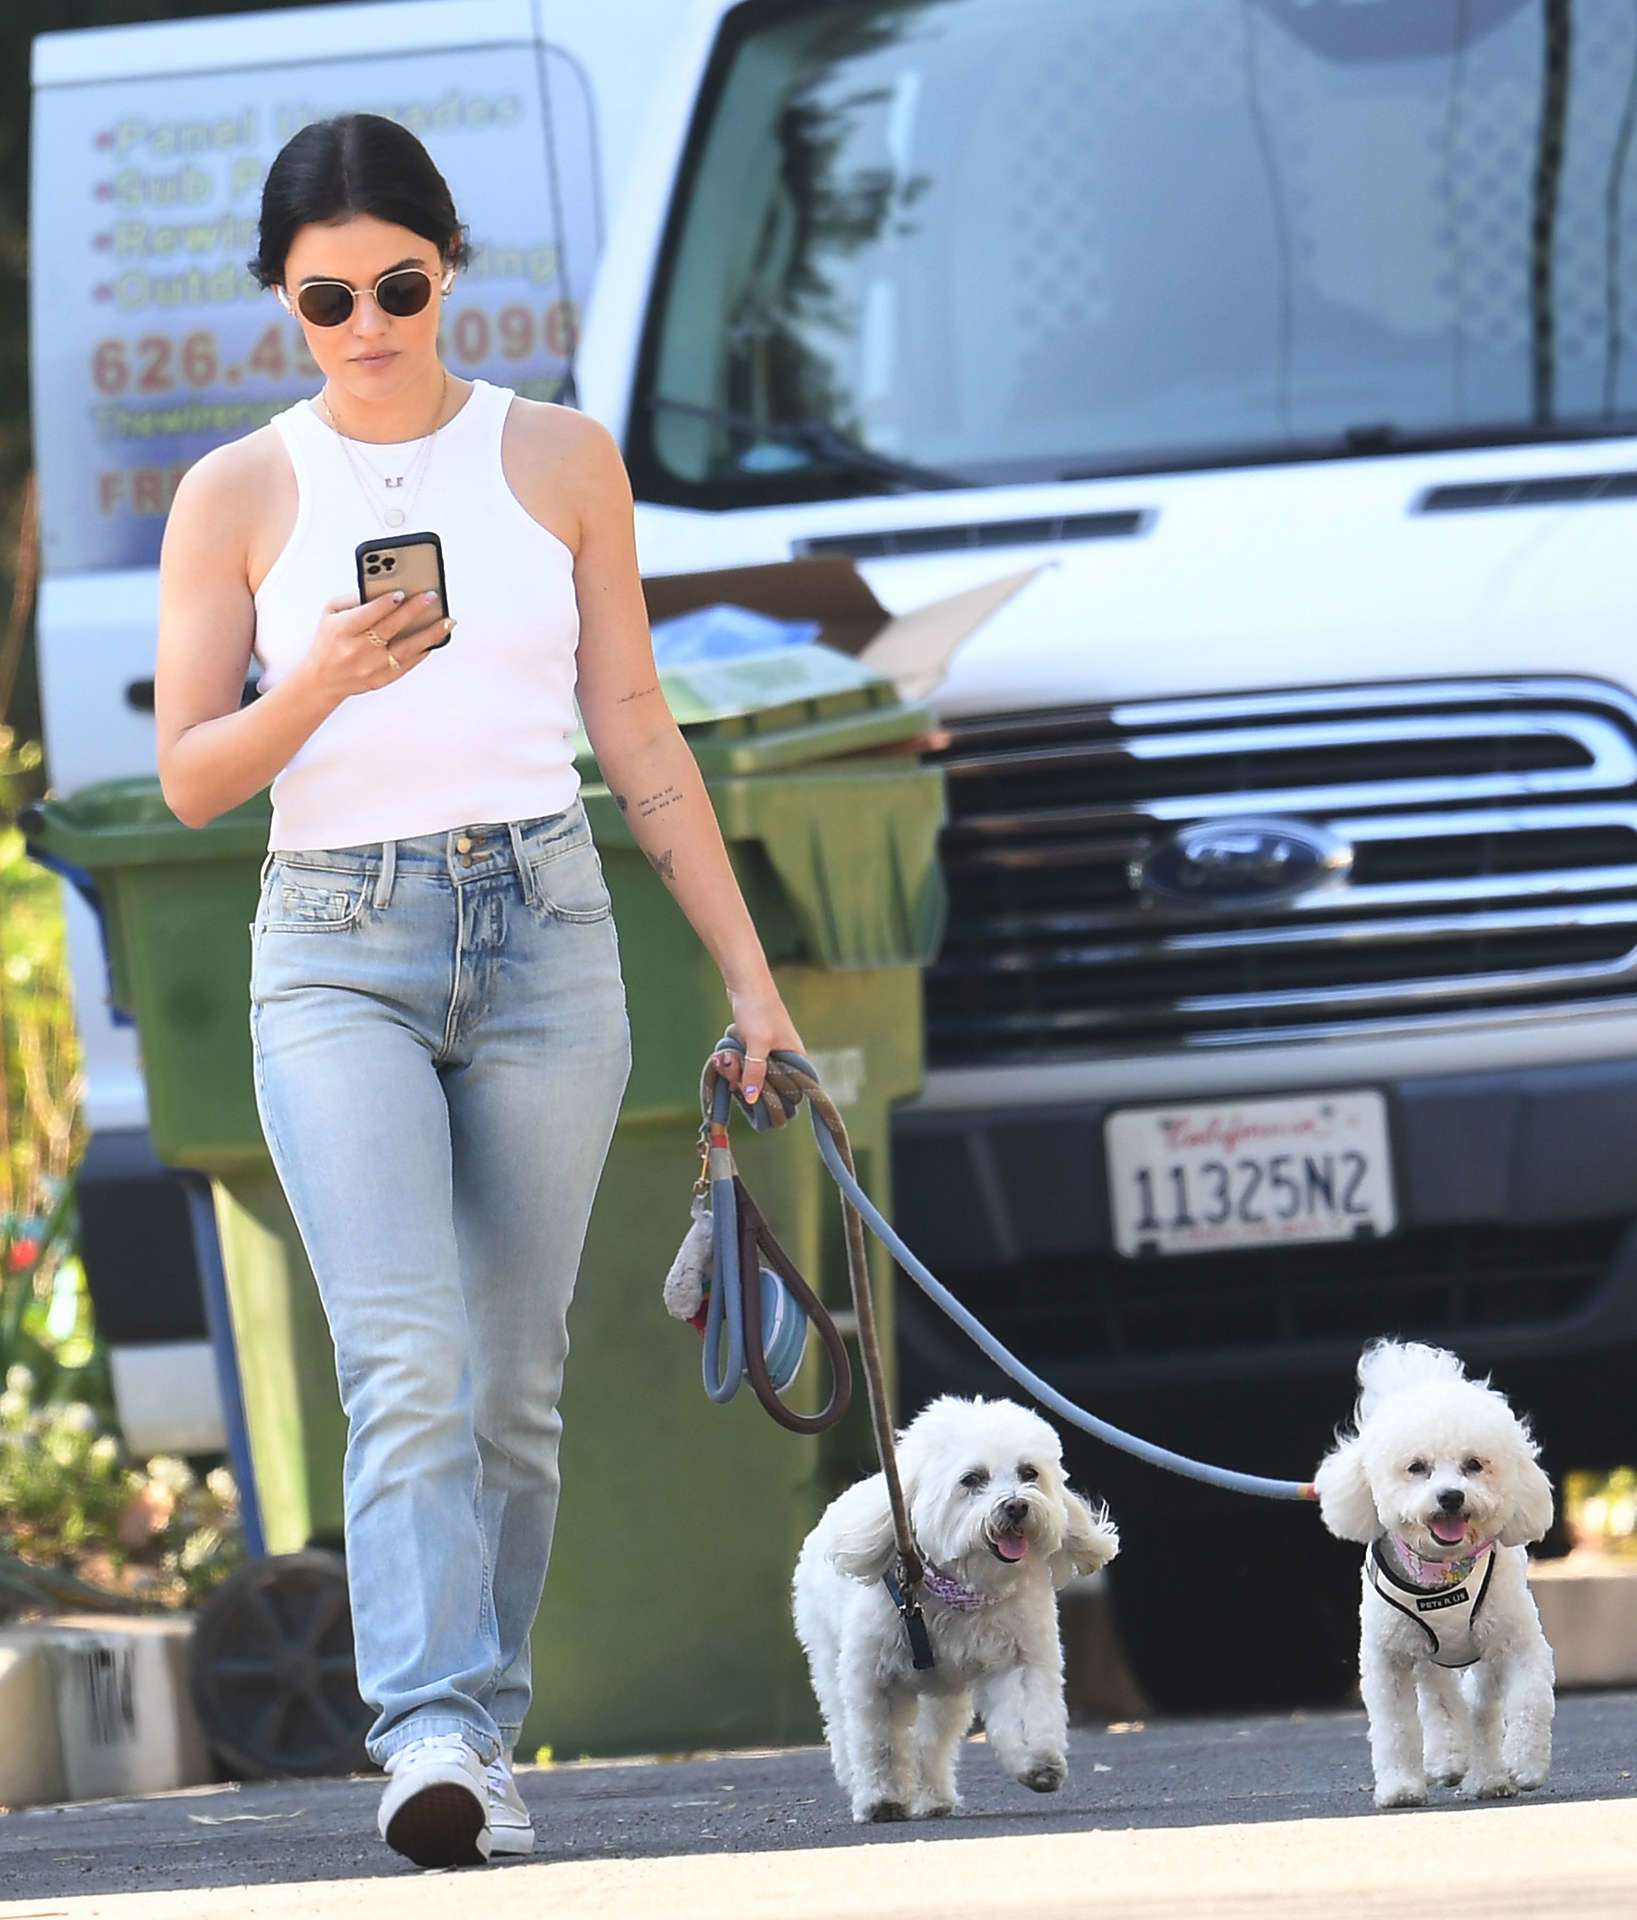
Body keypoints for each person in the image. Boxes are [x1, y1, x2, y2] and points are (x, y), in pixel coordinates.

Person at [153, 113, 802, 1870]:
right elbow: (193, 776)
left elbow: (635, 724)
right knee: (406, 1358)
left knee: (513, 1382)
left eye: (399, 285)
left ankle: (480, 1740)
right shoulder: (238, 493)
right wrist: (318, 685)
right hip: (332, 945)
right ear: (282, 302)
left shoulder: (561, 459)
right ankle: (429, 1730)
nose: (366, 324)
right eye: (326, 299)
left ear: (448, 270)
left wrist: (750, 981)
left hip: (544, 925)